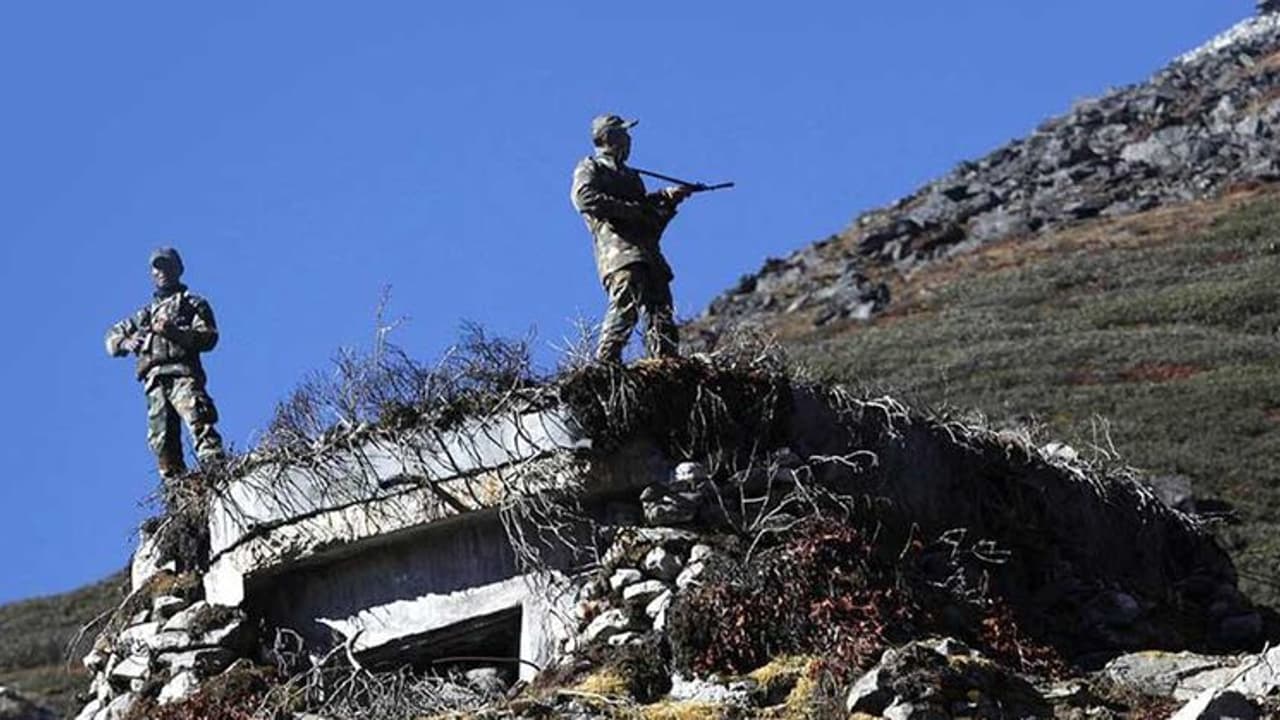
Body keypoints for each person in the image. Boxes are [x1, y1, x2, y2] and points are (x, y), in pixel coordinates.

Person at [571, 114, 694, 364]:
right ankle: (606, 362)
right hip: (620, 256)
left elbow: (649, 225)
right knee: (625, 306)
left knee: (661, 312)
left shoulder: (632, 178)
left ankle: (664, 363)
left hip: (649, 256)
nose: (629, 139)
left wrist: (668, 202)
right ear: (610, 137)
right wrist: (631, 209)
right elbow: (584, 199)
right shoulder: (591, 167)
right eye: (624, 133)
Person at [106, 248, 224, 480]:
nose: (161, 272)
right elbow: (111, 338)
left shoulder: (192, 304)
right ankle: (176, 493)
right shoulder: (144, 315)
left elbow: (209, 337)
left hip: (183, 375)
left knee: (199, 422)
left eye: (167, 266)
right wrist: (126, 341)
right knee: (162, 442)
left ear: (178, 270)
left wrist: (176, 333)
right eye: (157, 268)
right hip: (154, 383)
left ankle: (217, 474)